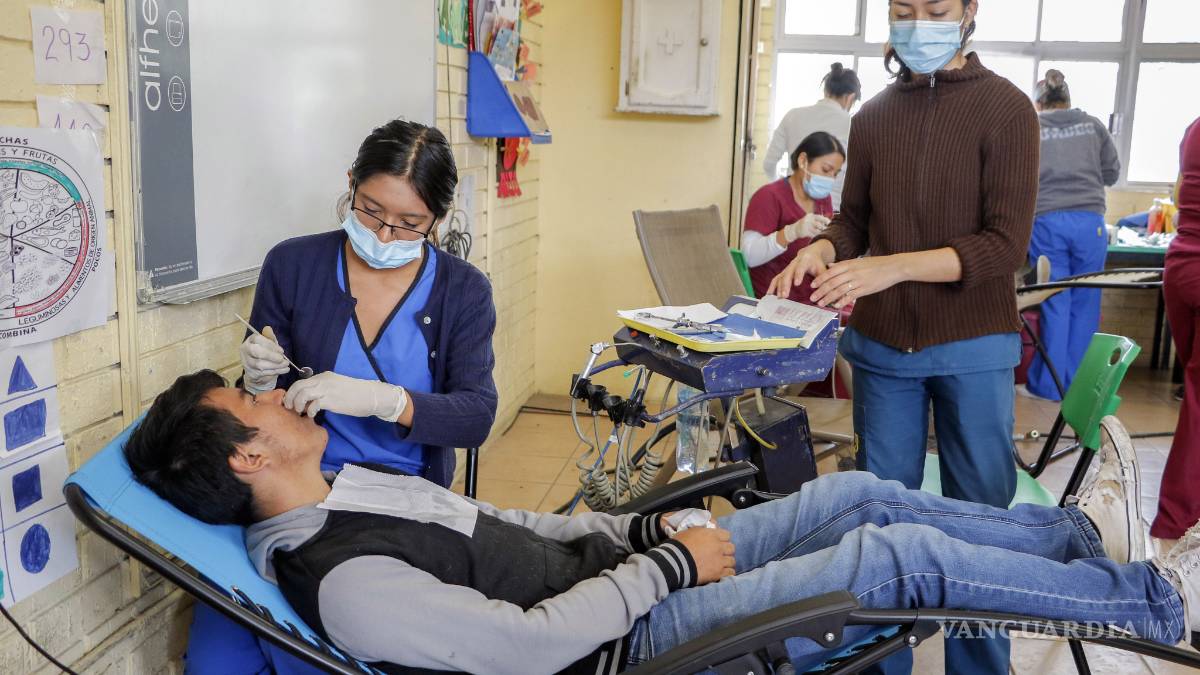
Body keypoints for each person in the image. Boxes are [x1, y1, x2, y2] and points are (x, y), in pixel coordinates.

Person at [124, 369, 1198, 675]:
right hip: (624, 637)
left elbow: (494, 517)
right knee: (892, 558)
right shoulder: (344, 582)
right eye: (253, 403)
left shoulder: (344, 484)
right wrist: (669, 573)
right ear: (249, 457)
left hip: (618, 570)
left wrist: (637, 536)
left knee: (849, 494)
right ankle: (1148, 604)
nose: (278, 394)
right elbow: (532, 650)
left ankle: (1068, 547)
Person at [768, 2, 1039, 672]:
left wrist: (891, 266)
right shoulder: (875, 117)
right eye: (903, 10)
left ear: (970, 10)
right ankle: (877, 664)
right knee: (879, 523)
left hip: (973, 344)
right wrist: (826, 249)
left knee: (980, 526)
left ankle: (979, 667)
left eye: (937, 9)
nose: (919, 23)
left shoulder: (1008, 111)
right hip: (885, 352)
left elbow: (1004, 246)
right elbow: (854, 219)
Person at [190, 119, 499, 674]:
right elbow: (261, 397)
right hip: (289, 490)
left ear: (439, 220)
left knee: (324, 640)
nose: (383, 236)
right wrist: (258, 381)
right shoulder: (294, 264)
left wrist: (388, 402)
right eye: (370, 210)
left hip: (396, 500)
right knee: (218, 658)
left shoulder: (463, 291)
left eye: (410, 224)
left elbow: (475, 416)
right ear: (351, 181)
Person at [1020, 69, 1120, 401]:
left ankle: (1048, 386)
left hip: (1047, 222)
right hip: (1090, 222)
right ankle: (1078, 389)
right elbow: (1112, 172)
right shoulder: (1092, 125)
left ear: (1038, 103)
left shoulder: (1031, 127)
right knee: (1085, 304)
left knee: (1054, 301)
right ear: (1069, 100)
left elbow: (1017, 177)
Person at [1153, 116, 1200, 551]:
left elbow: (1182, 185)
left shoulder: (1195, 127)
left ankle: (1176, 522)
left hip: (1182, 265)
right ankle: (1175, 524)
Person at [742, 132, 845, 305]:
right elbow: (749, 255)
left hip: (812, 295)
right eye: (826, 170)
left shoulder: (822, 199)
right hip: (777, 297)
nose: (830, 179)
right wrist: (791, 232)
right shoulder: (769, 196)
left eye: (835, 173)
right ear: (803, 160)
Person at [762, 63, 860, 208]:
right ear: (850, 98)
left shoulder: (793, 116)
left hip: (791, 207)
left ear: (826, 91)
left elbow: (768, 164)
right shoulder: (852, 124)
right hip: (830, 213)